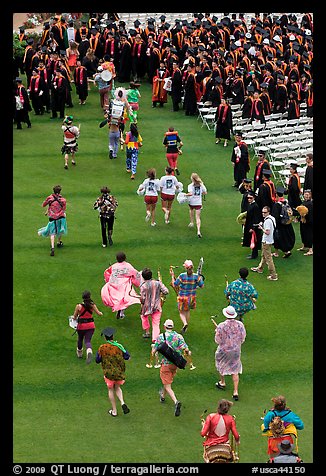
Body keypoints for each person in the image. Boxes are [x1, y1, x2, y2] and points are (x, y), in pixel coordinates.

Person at [152, 319, 191, 417]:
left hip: (165, 363)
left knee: (168, 385)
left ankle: (176, 401)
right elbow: (185, 349)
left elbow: (154, 350)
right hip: (175, 363)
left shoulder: (161, 337)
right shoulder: (179, 337)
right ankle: (163, 396)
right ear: (172, 327)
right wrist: (187, 353)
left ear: (165, 326)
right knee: (167, 382)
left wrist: (153, 349)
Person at [96, 327, 131, 417]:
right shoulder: (119, 347)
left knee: (111, 389)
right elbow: (127, 356)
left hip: (108, 373)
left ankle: (114, 411)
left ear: (105, 338)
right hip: (119, 373)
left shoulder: (102, 348)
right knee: (118, 388)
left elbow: (97, 360)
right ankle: (122, 402)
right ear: (113, 336)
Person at [214, 305, 246, 401]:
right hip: (236, 350)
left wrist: (217, 332)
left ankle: (222, 382)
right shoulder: (240, 325)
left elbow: (217, 340)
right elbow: (243, 338)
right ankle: (235, 391)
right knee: (235, 369)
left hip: (224, 350)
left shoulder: (221, 326)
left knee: (220, 364)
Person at [101, 251, 141, 319]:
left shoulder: (114, 266)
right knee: (124, 299)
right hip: (123, 285)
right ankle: (121, 312)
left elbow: (108, 273)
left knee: (117, 299)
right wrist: (139, 282)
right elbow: (135, 274)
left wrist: (108, 281)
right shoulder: (128, 266)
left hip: (114, 284)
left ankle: (120, 311)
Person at [170, 259, 204, 334]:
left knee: (181, 312)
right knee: (187, 310)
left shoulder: (182, 276)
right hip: (192, 297)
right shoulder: (196, 276)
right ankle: (186, 326)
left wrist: (172, 276)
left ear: (185, 268)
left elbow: (174, 284)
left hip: (182, 297)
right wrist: (200, 279)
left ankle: (185, 323)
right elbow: (202, 286)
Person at [201, 399, 240, 463]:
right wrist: (238, 440)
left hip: (211, 448)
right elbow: (236, 436)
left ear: (218, 407)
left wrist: (203, 426)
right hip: (225, 449)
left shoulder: (210, 417)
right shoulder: (230, 418)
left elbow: (203, 434)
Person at [72, 290, 103, 364]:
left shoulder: (78, 306)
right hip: (91, 326)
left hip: (81, 326)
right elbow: (99, 313)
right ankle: (89, 351)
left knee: (80, 339)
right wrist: (101, 313)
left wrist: (74, 318)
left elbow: (74, 317)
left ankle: (79, 353)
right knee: (88, 341)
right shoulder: (92, 305)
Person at [140, 267, 169, 341]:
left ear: (143, 277)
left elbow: (143, 298)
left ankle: (147, 332)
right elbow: (166, 291)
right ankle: (155, 339)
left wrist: (142, 302)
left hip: (146, 307)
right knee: (156, 323)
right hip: (156, 307)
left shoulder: (143, 286)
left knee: (144, 317)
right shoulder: (158, 283)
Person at [37, 184, 67, 256]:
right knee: (61, 228)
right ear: (60, 191)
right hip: (60, 216)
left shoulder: (50, 198)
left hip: (52, 217)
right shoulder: (63, 200)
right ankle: (59, 242)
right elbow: (64, 209)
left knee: (52, 233)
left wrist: (49, 208)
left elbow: (43, 204)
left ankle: (52, 248)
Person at [251, 206, 278, 281]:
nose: (263, 214)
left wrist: (261, 228)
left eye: (265, 212)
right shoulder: (272, 218)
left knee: (268, 258)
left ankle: (273, 275)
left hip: (266, 241)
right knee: (264, 255)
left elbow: (267, 232)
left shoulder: (267, 221)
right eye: (262, 212)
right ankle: (260, 268)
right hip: (269, 240)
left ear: (268, 212)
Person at [271, 186, 295, 259]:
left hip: (280, 225)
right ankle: (285, 251)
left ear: (277, 195)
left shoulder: (277, 204)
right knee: (286, 237)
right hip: (287, 223)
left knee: (278, 238)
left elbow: (275, 216)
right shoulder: (286, 202)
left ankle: (279, 252)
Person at [242, 191, 263, 260]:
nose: (249, 199)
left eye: (250, 198)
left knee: (254, 240)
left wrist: (252, 228)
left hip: (253, 226)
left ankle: (254, 255)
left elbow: (256, 218)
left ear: (254, 198)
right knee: (252, 240)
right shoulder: (250, 205)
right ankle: (253, 253)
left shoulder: (255, 206)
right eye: (248, 198)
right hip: (249, 224)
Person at [186, 173, 207, 238]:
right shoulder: (201, 185)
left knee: (191, 210)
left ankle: (192, 222)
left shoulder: (190, 185)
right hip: (198, 202)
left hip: (192, 201)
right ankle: (198, 231)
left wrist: (185, 195)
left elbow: (190, 193)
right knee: (198, 217)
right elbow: (205, 192)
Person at [297, 189, 313, 256]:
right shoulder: (303, 202)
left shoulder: (310, 203)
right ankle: (304, 246)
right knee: (303, 234)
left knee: (308, 235)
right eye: (305, 194)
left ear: (310, 195)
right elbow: (300, 211)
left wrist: (306, 219)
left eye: (307, 194)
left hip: (308, 222)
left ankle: (310, 249)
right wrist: (299, 218)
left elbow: (311, 214)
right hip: (303, 222)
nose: (306, 196)